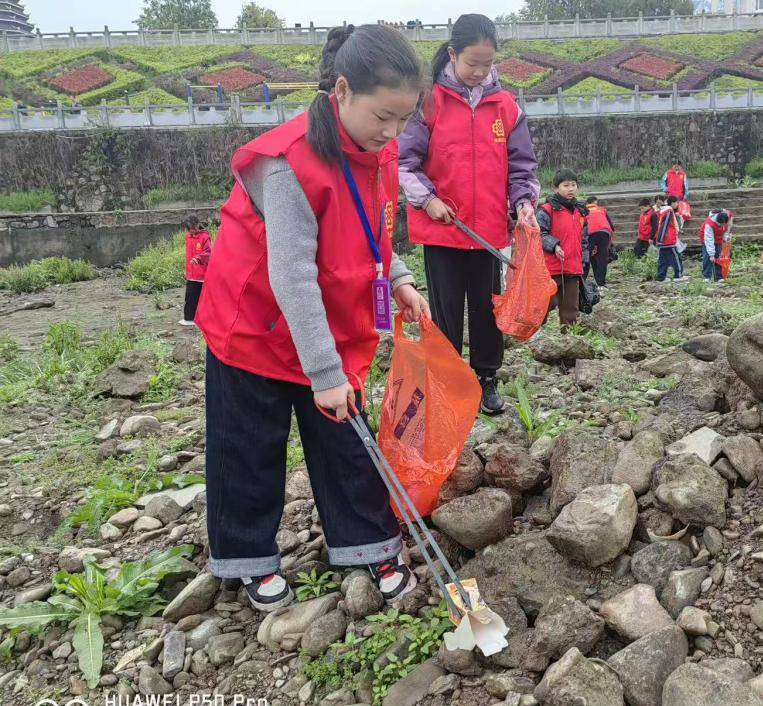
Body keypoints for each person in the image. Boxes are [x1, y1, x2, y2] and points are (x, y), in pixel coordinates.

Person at [194, 25, 429, 611]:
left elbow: (369, 221)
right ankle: (246, 556)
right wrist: (323, 373)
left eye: (404, 119)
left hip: (329, 317)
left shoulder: (377, 148)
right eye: (383, 116)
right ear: (342, 91)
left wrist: (396, 275)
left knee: (347, 437)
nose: (393, 132)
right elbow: (291, 275)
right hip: (257, 325)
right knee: (249, 443)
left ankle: (368, 544)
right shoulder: (288, 164)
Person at [399, 13, 540, 416]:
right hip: (444, 228)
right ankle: (445, 382)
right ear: (451, 54)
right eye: (471, 64)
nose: (479, 72)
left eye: (487, 64)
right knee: (444, 311)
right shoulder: (429, 102)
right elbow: (403, 163)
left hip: (487, 232)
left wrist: (523, 204)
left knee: (486, 308)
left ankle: (486, 378)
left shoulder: (506, 107)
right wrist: (429, 200)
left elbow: (522, 167)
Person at [537, 170, 587, 328]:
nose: (571, 188)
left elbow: (584, 238)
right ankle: (531, 333)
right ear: (556, 188)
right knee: (545, 304)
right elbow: (539, 233)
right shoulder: (547, 210)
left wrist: (584, 258)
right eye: (566, 185)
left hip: (573, 267)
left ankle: (570, 339)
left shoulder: (581, 211)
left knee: (570, 308)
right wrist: (555, 245)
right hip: (551, 267)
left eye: (573, 185)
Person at [181, 215, 212, 326]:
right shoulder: (188, 237)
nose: (190, 231)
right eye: (188, 229)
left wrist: (198, 258)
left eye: (192, 228)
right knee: (189, 297)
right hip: (191, 274)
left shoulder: (205, 237)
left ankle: (204, 319)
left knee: (203, 299)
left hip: (202, 275)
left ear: (197, 225)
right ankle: (189, 319)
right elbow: (188, 255)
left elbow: (209, 252)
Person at [584, 195, 615, 292]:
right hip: (604, 232)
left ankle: (582, 282)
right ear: (594, 203)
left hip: (590, 233)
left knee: (587, 257)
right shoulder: (602, 210)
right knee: (602, 258)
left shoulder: (583, 211)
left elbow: (581, 226)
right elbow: (611, 226)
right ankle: (601, 283)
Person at [654, 195, 683, 282]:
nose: (677, 204)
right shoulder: (668, 211)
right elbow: (665, 226)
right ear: (673, 203)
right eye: (677, 202)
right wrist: (661, 239)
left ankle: (661, 276)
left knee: (663, 260)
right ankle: (678, 275)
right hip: (668, 240)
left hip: (661, 240)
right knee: (676, 258)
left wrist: (658, 239)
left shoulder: (660, 211)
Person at [700, 208, 732, 282]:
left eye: (724, 224)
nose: (723, 226)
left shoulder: (726, 218)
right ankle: (707, 276)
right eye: (721, 224)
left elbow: (725, 230)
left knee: (719, 257)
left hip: (718, 238)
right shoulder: (709, 224)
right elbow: (709, 239)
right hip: (707, 238)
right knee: (708, 257)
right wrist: (711, 254)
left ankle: (718, 276)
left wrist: (725, 237)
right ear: (718, 221)